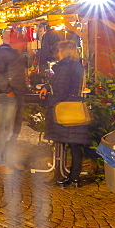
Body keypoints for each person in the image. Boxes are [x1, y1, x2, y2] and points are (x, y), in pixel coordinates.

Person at [39, 41, 87, 187]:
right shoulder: (76, 65)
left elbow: (61, 90)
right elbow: (60, 84)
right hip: (75, 107)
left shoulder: (64, 67)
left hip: (64, 109)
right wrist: (48, 86)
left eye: (58, 51)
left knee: (67, 144)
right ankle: (74, 177)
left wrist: (50, 102)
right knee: (75, 145)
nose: (56, 53)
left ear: (64, 52)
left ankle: (66, 175)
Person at [0, 31, 28, 173]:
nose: (25, 46)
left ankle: (9, 160)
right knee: (5, 130)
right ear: (17, 42)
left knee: (15, 130)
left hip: (17, 94)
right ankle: (0, 162)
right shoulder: (3, 52)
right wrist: (7, 90)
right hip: (8, 96)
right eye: (23, 43)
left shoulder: (16, 54)